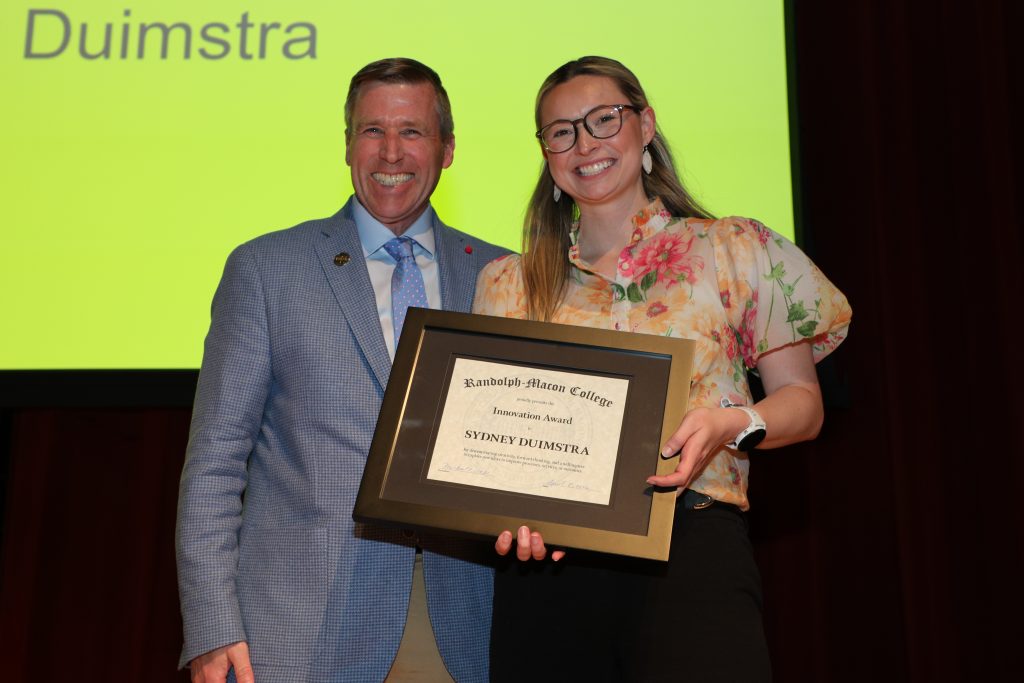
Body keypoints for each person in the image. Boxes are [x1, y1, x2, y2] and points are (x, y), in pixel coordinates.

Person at [473, 56, 851, 681]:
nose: (584, 144)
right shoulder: (507, 284)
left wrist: (731, 423)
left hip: (693, 550)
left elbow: (803, 405)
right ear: (546, 153)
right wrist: (508, 512)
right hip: (548, 572)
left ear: (645, 126)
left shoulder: (733, 249)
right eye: (561, 131)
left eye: (604, 120)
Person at [176, 58, 509, 683]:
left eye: (411, 131)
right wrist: (213, 627)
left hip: (466, 622)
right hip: (298, 624)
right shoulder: (267, 269)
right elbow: (215, 462)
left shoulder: (503, 276)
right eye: (370, 130)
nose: (390, 151)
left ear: (447, 149)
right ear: (348, 143)